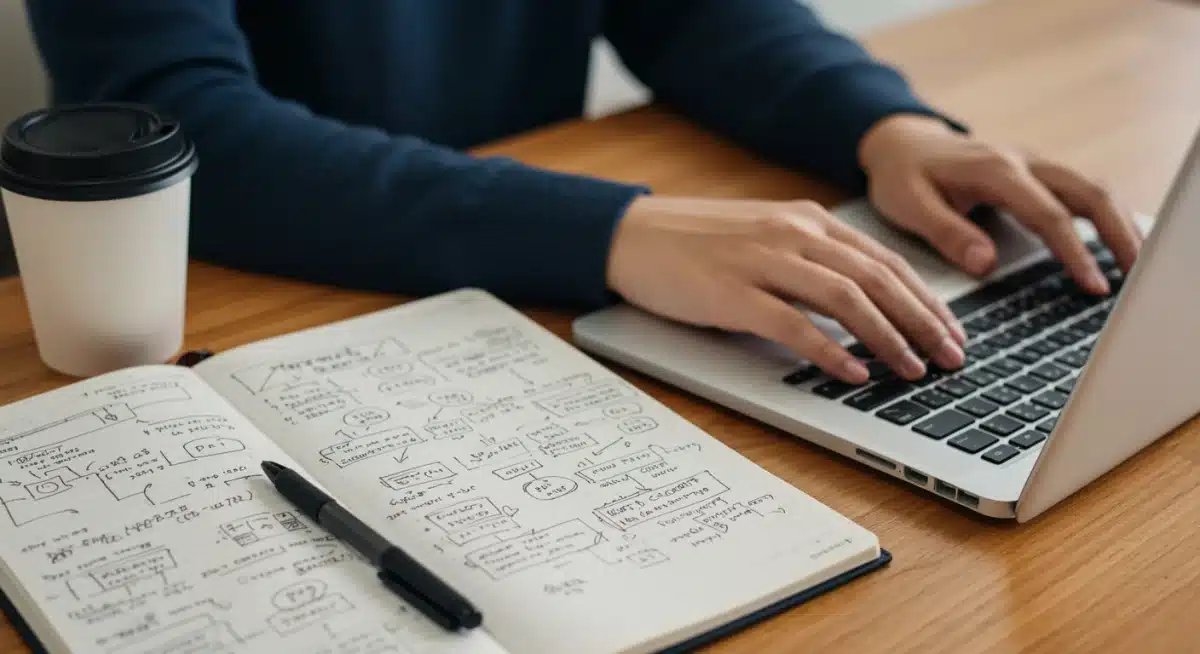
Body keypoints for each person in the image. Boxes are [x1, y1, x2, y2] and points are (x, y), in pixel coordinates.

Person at [25, 1, 1141, 385]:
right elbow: (181, 132)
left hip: (525, 309)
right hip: (244, 318)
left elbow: (690, 13)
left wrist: (879, 124)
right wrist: (612, 229)